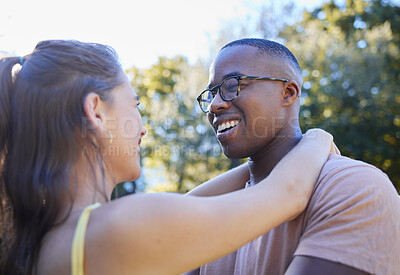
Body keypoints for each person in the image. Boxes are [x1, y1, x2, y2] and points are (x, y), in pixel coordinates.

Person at [0, 40, 336, 275]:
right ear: (96, 113)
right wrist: (318, 137)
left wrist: (259, 159)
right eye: (135, 106)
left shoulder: (50, 236)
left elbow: (187, 203)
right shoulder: (119, 228)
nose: (142, 129)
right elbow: (285, 194)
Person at [188, 38, 400, 275]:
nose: (214, 105)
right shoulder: (211, 214)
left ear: (288, 93)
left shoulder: (355, 188)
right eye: (211, 93)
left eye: (231, 85)